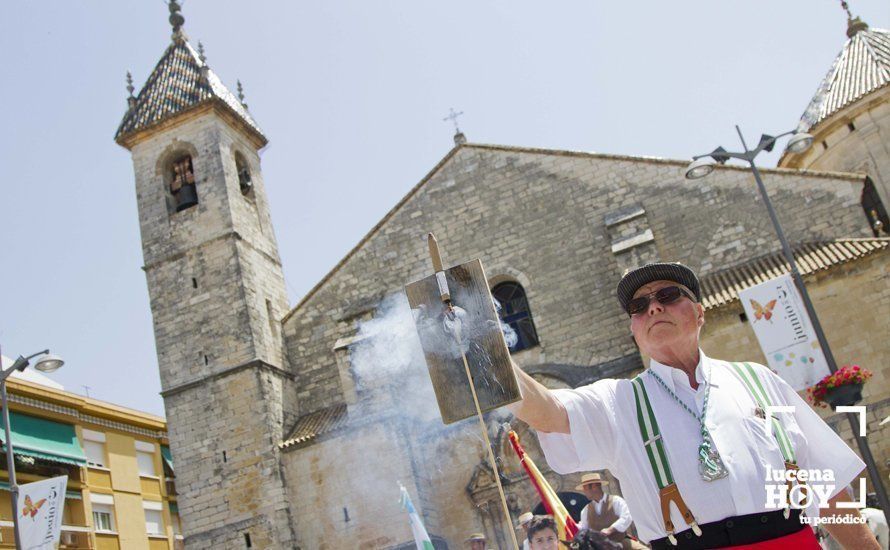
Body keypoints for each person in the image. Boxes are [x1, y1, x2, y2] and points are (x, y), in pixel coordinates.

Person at [509, 262, 880, 549]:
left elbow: (827, 490)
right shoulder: (618, 401)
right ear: (634, 331)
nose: (653, 307)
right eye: (639, 306)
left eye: (668, 296)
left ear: (700, 313)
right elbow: (548, 410)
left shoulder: (759, 380)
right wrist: (484, 351)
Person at [575, 472, 644, 549]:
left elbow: (626, 517)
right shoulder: (586, 510)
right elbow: (584, 529)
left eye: (585, 488)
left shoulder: (616, 501)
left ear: (594, 486)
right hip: (599, 547)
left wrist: (610, 529)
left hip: (620, 541)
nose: (584, 491)